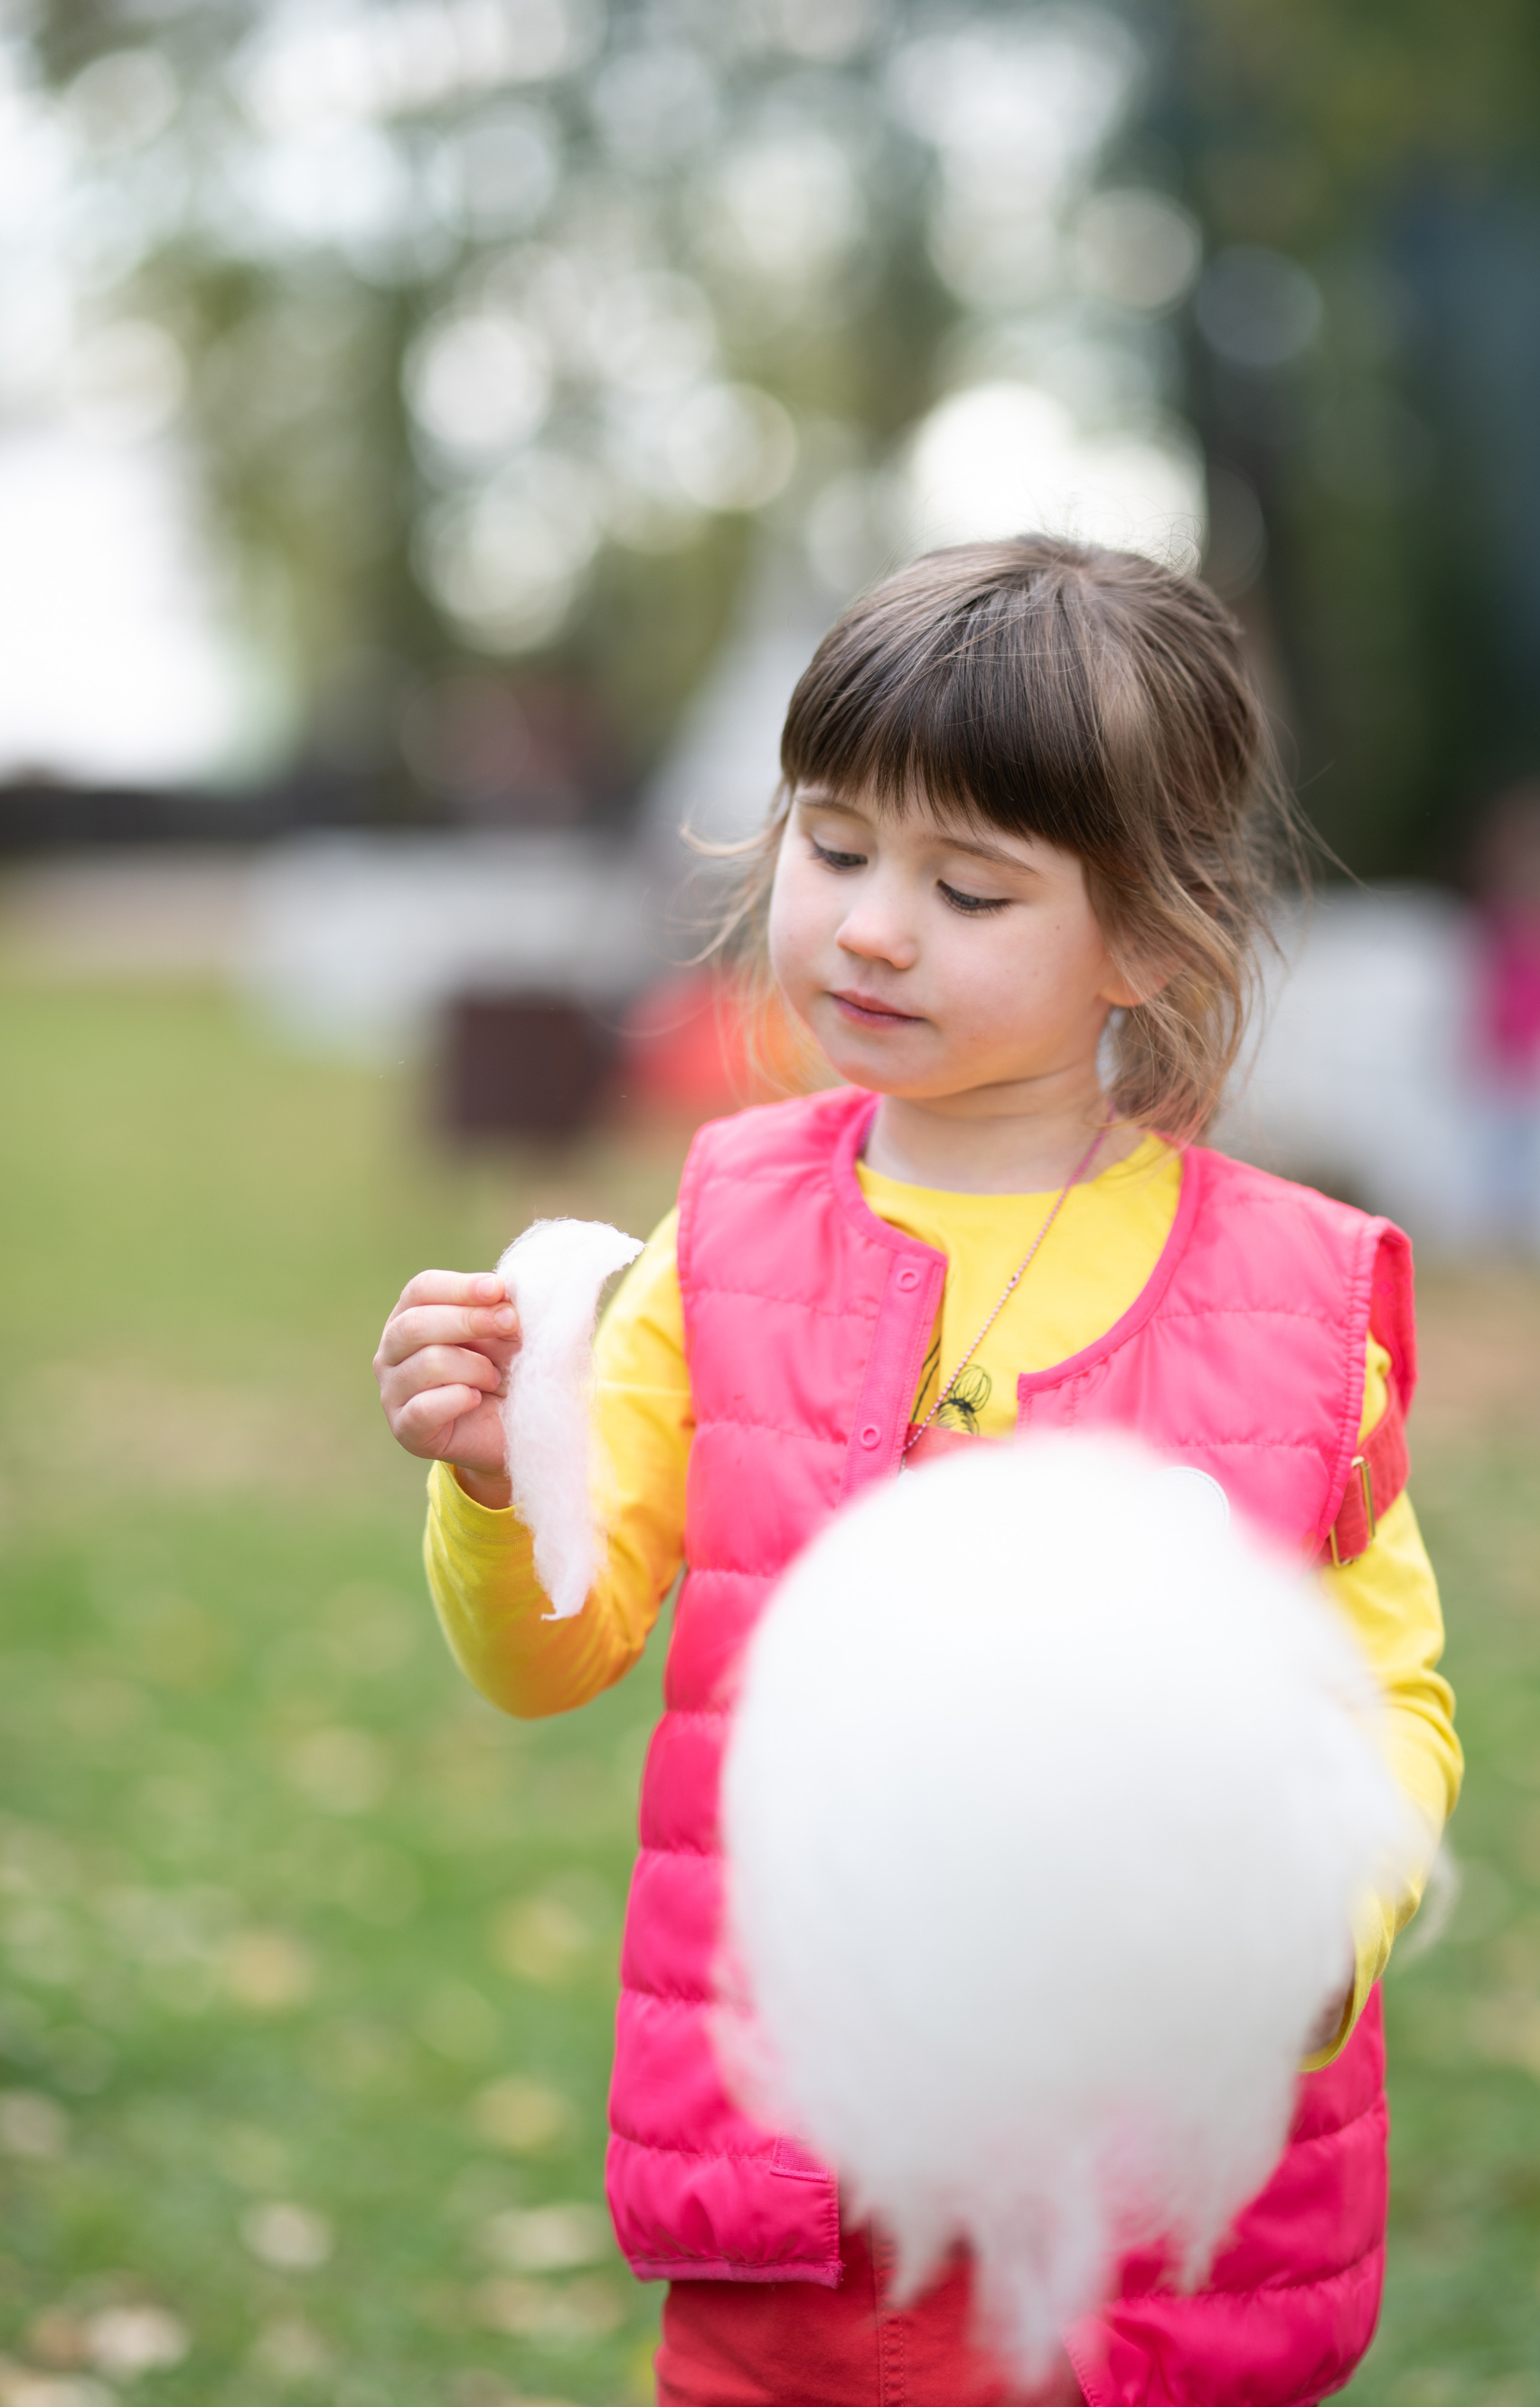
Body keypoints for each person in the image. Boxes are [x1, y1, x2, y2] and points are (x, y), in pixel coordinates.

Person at [374, 538, 1462, 2407]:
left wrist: (1310, 1934)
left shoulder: (1296, 1304)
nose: (874, 924)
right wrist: (494, 1477)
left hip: (1151, 2240)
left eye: (969, 886)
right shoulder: (718, 1238)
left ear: (1148, 934)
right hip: (804, 2214)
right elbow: (552, 1650)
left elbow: (1391, 1705)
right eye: (835, 845)